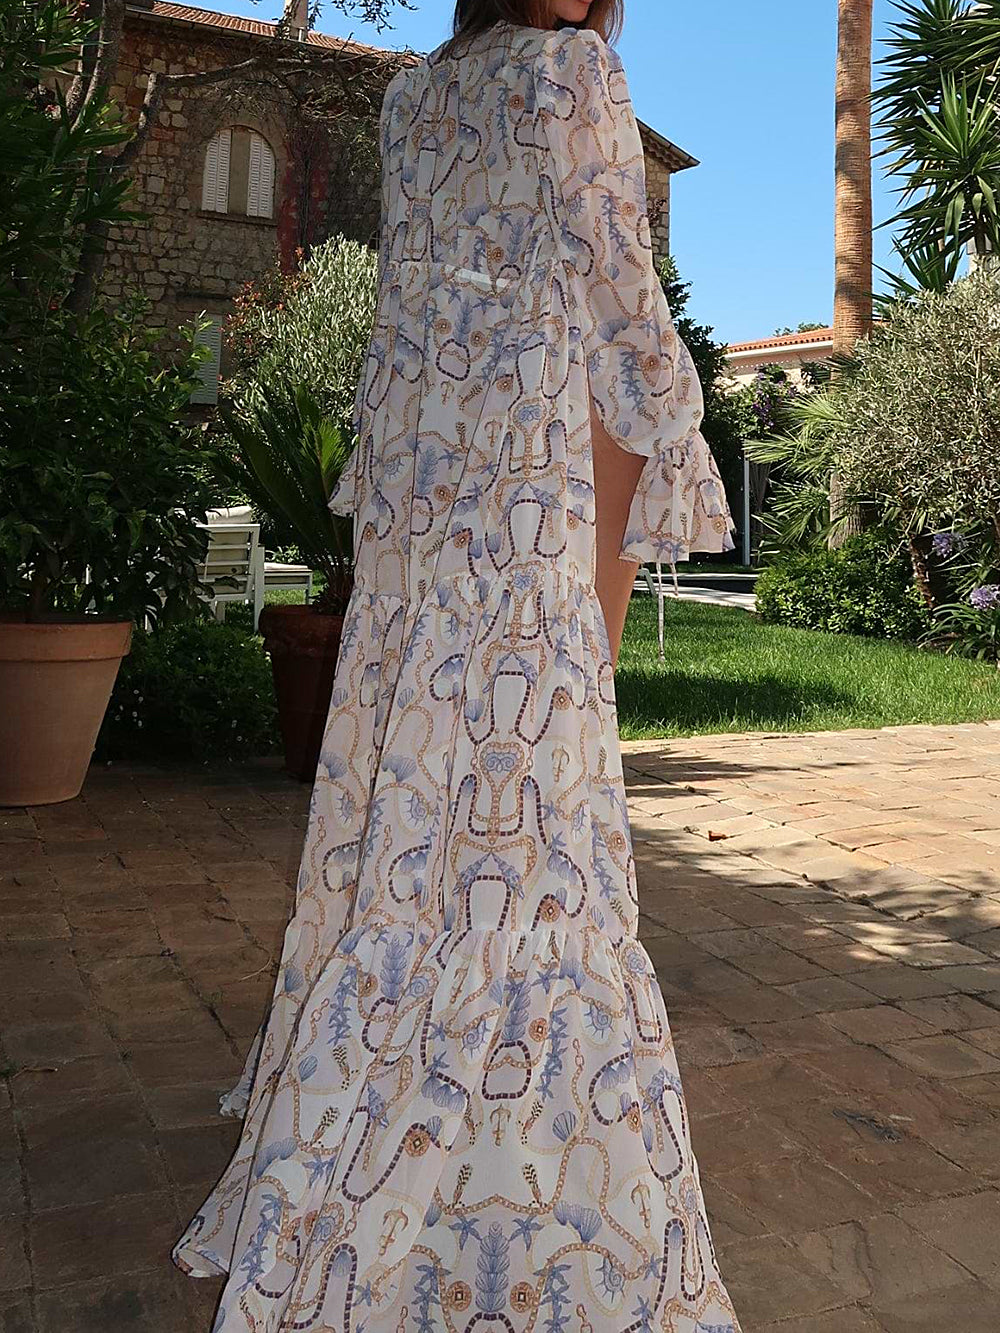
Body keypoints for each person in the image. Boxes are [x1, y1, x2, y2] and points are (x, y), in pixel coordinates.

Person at [174, 2, 740, 1329]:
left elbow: (410, 328)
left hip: (430, 528)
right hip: (523, 524)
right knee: (533, 854)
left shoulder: (413, 97)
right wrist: (636, 525)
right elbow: (622, 324)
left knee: (411, 835)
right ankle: (516, 1156)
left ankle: (377, 1110)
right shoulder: (575, 72)